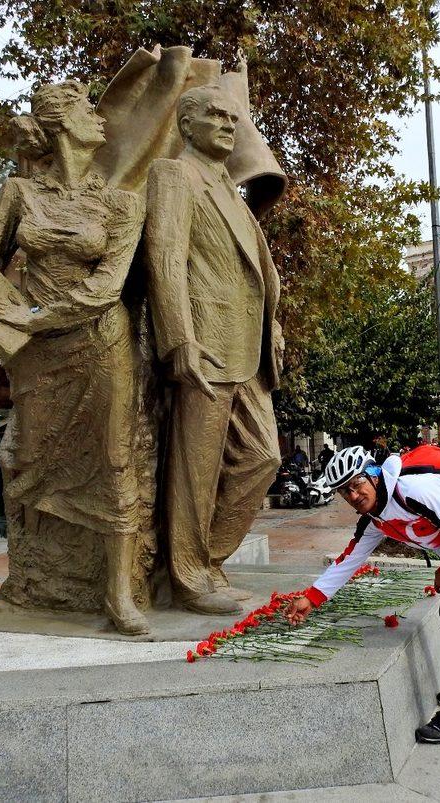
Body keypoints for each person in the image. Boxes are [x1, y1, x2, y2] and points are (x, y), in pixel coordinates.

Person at [0, 81, 148, 635]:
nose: (100, 117)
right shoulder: (20, 194)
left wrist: (30, 317)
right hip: (37, 357)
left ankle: (118, 591)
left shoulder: (122, 202)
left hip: (100, 342)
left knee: (114, 458)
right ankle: (32, 582)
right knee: (27, 457)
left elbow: (107, 287)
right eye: (88, 108)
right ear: (61, 122)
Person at [145, 84, 283, 615]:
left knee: (263, 457)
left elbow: (255, 271)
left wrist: (272, 322)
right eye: (217, 116)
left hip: (247, 348)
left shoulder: (227, 184)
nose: (229, 124)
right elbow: (165, 256)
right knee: (195, 470)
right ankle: (188, 577)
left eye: (233, 117)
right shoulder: (175, 174)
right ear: (187, 124)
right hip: (205, 342)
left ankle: (208, 558)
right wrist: (178, 336)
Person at [286, 445, 440, 744]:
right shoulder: (374, 518)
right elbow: (351, 559)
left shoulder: (412, 491)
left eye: (356, 485)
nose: (354, 496)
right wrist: (311, 598)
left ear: (373, 476)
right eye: (345, 493)